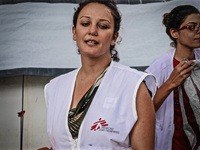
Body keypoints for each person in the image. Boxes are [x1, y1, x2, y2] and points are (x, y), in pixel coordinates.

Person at [40, 0, 157, 149]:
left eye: (103, 26)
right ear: (74, 32)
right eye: (85, 24)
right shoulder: (55, 87)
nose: (92, 31)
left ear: (114, 37)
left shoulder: (134, 86)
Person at [145, 5, 200, 150]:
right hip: (175, 143)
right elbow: (142, 110)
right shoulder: (159, 68)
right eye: (192, 27)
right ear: (175, 32)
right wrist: (170, 83)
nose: (198, 31)